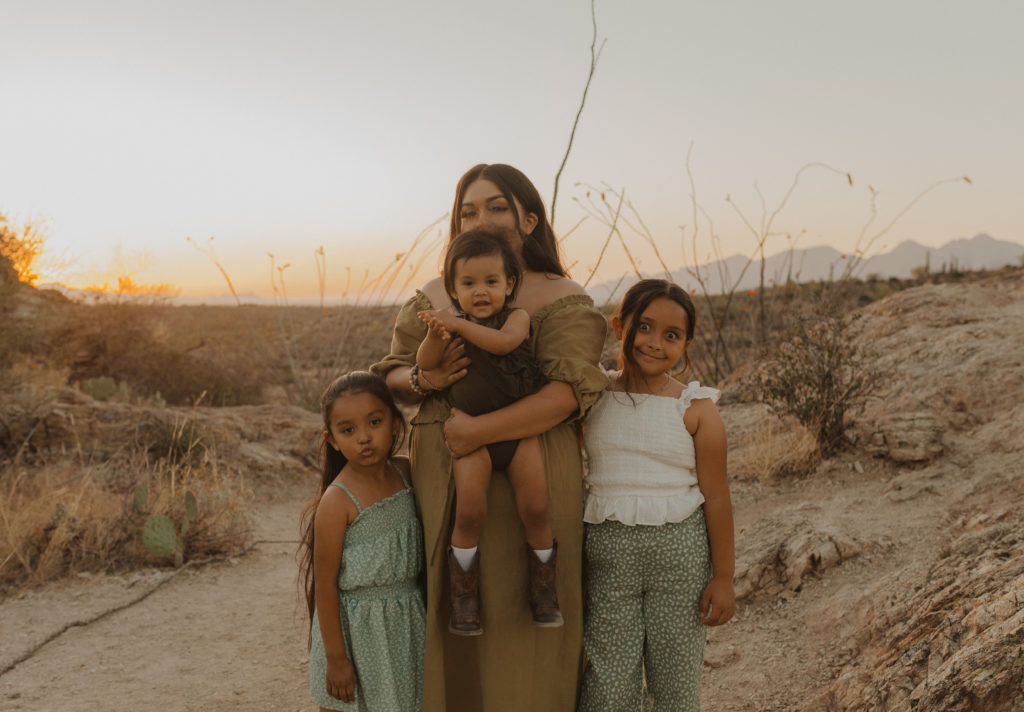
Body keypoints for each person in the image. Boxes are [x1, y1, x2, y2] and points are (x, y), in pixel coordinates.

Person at [372, 163, 608, 711]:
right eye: (469, 210)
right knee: (456, 606)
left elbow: (567, 393)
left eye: (497, 206)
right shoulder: (435, 294)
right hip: (445, 468)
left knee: (534, 609)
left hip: (534, 460)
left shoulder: (561, 295)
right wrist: (422, 379)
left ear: (528, 219)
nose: (482, 218)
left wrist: (476, 431)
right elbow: (392, 375)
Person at [577, 278, 736, 712]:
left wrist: (723, 577)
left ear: (685, 344)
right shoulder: (592, 396)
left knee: (675, 679)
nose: (654, 343)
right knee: (608, 679)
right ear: (618, 326)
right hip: (609, 557)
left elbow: (717, 497)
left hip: (679, 558)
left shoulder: (696, 408)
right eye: (643, 327)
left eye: (671, 335)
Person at [417, 229, 563, 634]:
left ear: (509, 284)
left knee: (535, 507)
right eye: (468, 284)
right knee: (469, 512)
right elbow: (426, 364)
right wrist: (434, 333)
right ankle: (465, 597)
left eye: (491, 282)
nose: (481, 292)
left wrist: (457, 327)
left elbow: (503, 344)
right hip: (470, 438)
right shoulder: (453, 324)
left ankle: (544, 591)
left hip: (517, 433)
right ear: (452, 289)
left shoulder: (515, 318)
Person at [299, 371, 426, 711]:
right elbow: (324, 585)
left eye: (374, 421)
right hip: (357, 633)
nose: (365, 438)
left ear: (395, 423)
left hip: (406, 624)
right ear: (333, 440)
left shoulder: (406, 472)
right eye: (348, 430)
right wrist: (336, 660)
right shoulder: (337, 501)